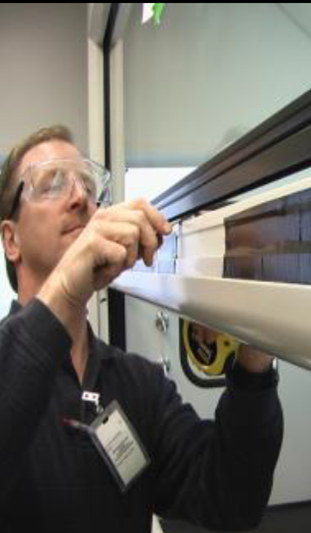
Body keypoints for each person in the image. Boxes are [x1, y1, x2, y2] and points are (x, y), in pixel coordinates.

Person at [0, 126, 283, 533]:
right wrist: (64, 290)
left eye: (88, 185)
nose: (81, 198)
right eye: (53, 184)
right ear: (11, 240)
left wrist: (256, 349)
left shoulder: (137, 384)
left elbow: (231, 500)